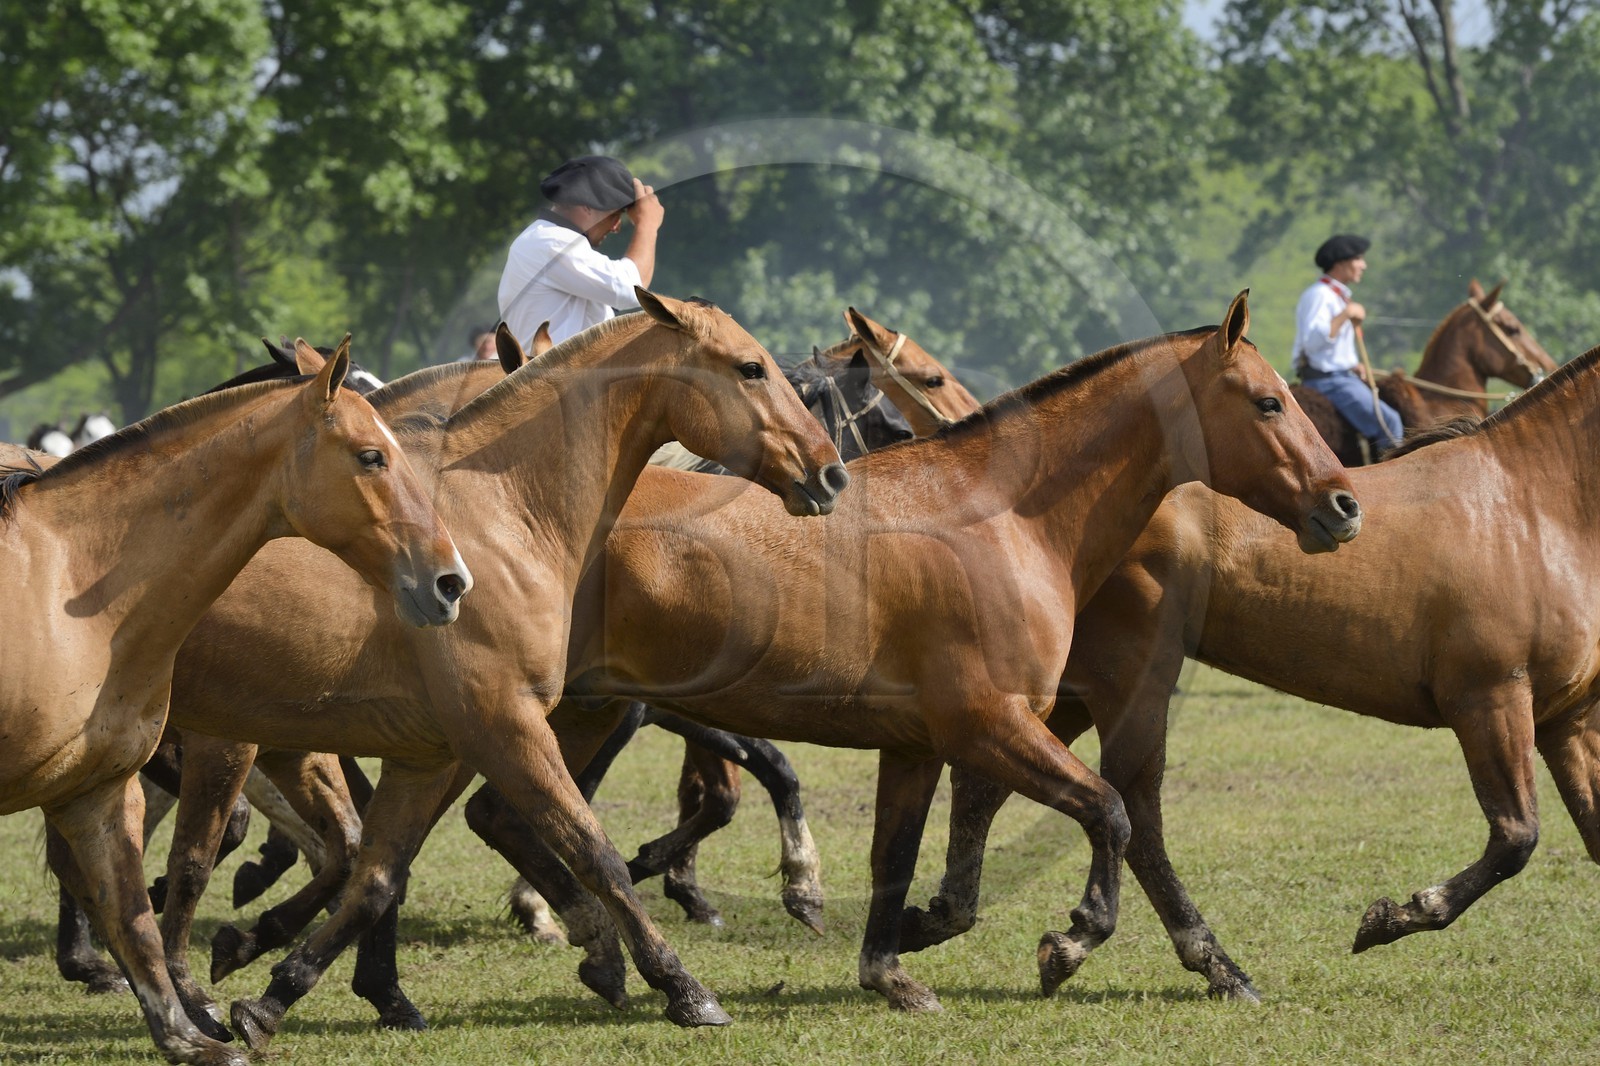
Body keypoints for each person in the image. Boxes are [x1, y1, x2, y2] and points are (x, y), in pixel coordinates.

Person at [497, 155, 664, 348]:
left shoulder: (546, 238)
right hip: (553, 378)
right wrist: (648, 225)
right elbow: (632, 288)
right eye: (615, 215)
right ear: (587, 206)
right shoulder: (552, 241)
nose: (616, 227)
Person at [1292, 233, 1402, 453]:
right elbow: (1312, 344)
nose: (1364, 265)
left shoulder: (1335, 296)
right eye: (1359, 259)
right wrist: (1346, 314)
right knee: (1391, 421)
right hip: (1329, 382)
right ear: (1341, 262)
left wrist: (1353, 365)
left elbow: (1329, 350)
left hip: (1341, 377)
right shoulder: (1319, 295)